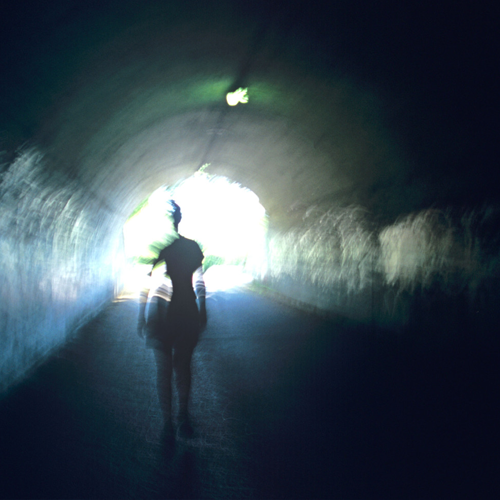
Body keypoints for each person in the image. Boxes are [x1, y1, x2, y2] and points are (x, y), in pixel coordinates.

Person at [137, 201, 207, 439]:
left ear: (171, 221)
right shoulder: (192, 248)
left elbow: (148, 282)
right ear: (181, 220)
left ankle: (168, 421)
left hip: (163, 314)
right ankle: (182, 416)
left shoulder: (165, 250)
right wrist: (203, 308)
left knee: (164, 370)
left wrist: (141, 315)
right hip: (187, 311)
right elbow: (200, 280)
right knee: (183, 367)